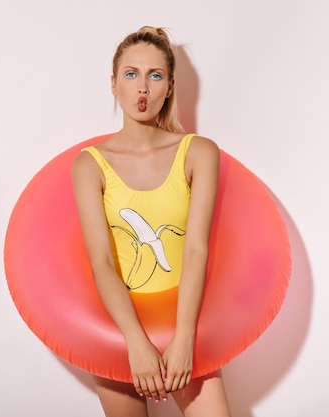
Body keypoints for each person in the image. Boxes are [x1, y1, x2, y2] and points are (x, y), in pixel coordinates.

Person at [72, 26, 232, 417]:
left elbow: (195, 250)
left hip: (183, 319)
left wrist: (184, 339)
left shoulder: (198, 153)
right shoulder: (89, 164)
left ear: (170, 86)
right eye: (131, 74)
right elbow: (102, 262)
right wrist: (136, 342)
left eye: (154, 75)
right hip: (117, 324)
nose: (142, 88)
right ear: (114, 84)